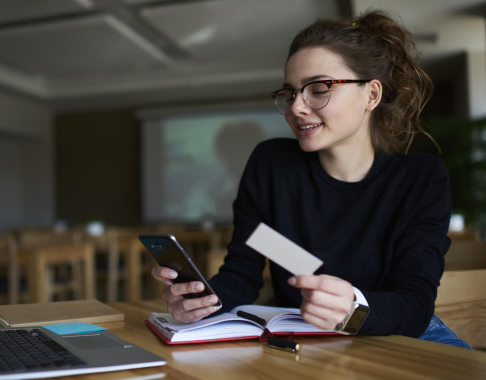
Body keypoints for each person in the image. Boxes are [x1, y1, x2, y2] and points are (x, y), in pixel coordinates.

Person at [151, 10, 471, 348]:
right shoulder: (272, 167)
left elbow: (414, 304)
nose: (296, 107)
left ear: (371, 95)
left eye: (318, 89)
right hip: (304, 339)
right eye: (290, 93)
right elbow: (241, 275)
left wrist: (352, 310)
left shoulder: (419, 179)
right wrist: (201, 301)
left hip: (398, 338)